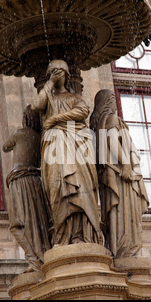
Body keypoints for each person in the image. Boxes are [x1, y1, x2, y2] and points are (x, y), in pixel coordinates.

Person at [31, 59, 103, 246]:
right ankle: (62, 235)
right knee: (57, 188)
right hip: (53, 147)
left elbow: (82, 111)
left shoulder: (73, 98)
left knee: (80, 187)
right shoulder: (47, 97)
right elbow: (37, 106)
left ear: (66, 74)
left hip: (76, 147)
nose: (56, 74)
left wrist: (56, 118)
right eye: (52, 71)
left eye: (59, 71)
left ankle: (82, 235)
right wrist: (48, 84)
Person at [90, 89, 149, 259]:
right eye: (112, 100)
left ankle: (115, 246)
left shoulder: (98, 123)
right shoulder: (111, 119)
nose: (116, 104)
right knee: (126, 212)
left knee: (115, 215)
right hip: (121, 175)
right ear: (108, 102)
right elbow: (113, 140)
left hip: (110, 177)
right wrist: (126, 165)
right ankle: (125, 250)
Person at [3, 105, 51, 273]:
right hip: (36, 182)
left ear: (25, 118)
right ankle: (42, 255)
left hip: (20, 180)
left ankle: (33, 259)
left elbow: (5, 147)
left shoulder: (20, 134)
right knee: (38, 222)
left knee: (17, 224)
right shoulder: (41, 138)